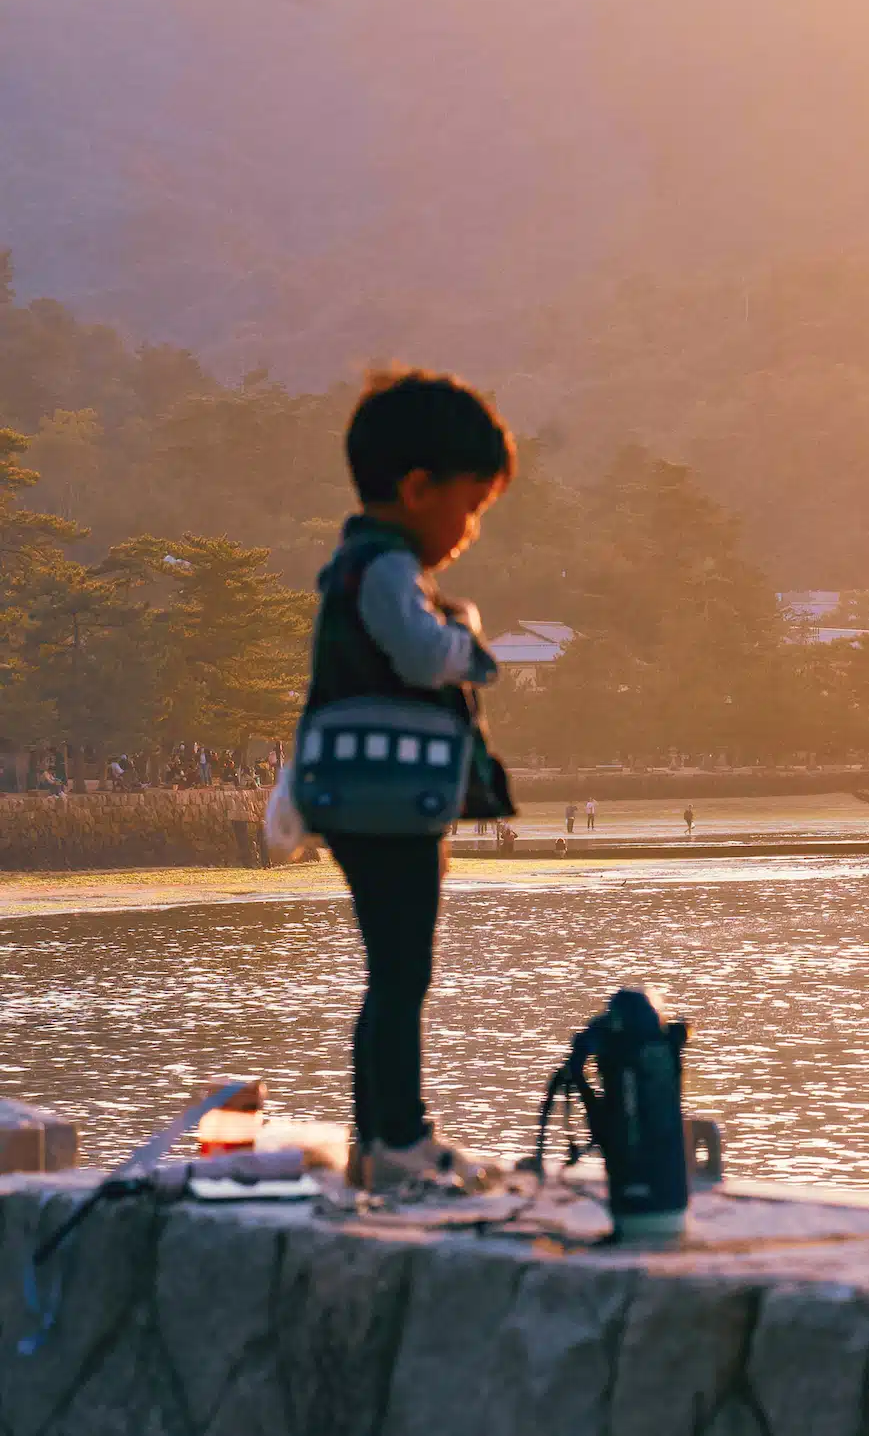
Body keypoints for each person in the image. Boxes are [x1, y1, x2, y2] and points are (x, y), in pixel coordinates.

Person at [304, 368, 514, 1193]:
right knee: (401, 971)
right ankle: (398, 1139)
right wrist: (468, 638)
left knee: (394, 971)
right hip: (386, 807)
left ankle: (384, 1137)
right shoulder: (385, 568)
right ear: (417, 487)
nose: (468, 530)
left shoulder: (359, 565)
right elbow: (421, 654)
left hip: (368, 798)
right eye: (469, 505)